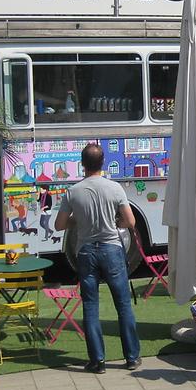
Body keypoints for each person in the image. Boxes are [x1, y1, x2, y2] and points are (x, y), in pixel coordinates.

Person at [55, 143, 141, 374]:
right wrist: (116, 223)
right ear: (102, 163)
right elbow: (130, 222)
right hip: (112, 248)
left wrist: (79, 220)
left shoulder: (73, 192)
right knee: (122, 305)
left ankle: (97, 360)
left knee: (91, 306)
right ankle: (131, 357)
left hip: (86, 251)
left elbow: (59, 224)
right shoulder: (114, 188)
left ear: (82, 164)